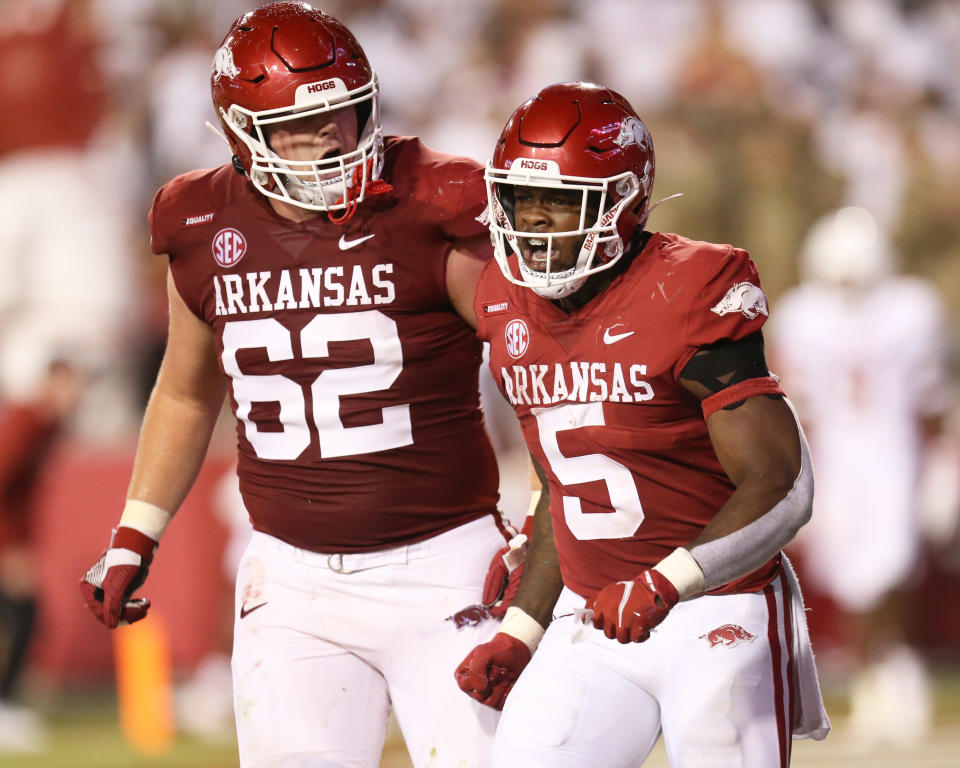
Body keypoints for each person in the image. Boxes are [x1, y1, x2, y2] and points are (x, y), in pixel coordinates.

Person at [77, 3, 517, 766]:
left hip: (447, 569)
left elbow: (535, 360)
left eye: (342, 116)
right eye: (296, 126)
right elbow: (186, 390)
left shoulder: (433, 207)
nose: (327, 141)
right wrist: (133, 534)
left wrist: (549, 514)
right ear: (241, 131)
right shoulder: (199, 222)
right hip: (290, 577)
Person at [454, 82, 831, 766]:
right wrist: (521, 628)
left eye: (561, 201)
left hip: (718, 606)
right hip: (596, 614)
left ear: (624, 201)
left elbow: (782, 483)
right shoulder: (501, 302)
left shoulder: (692, 286)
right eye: (522, 199)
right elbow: (561, 486)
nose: (535, 224)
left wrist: (669, 580)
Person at [767, 206, 950, 748]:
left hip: (892, 454)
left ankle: (892, 672)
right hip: (837, 456)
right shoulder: (804, 314)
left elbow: (931, 395)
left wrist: (941, 460)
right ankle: (881, 672)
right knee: (850, 572)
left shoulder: (911, 309)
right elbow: (792, 400)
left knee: (892, 565)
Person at [0, 359, 84, 752]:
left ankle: (8, 702)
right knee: (23, 614)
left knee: (26, 615)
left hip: (15, 540)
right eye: (68, 385)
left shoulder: (48, 426)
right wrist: (9, 549)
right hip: (6, 542)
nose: (75, 396)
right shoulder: (26, 422)